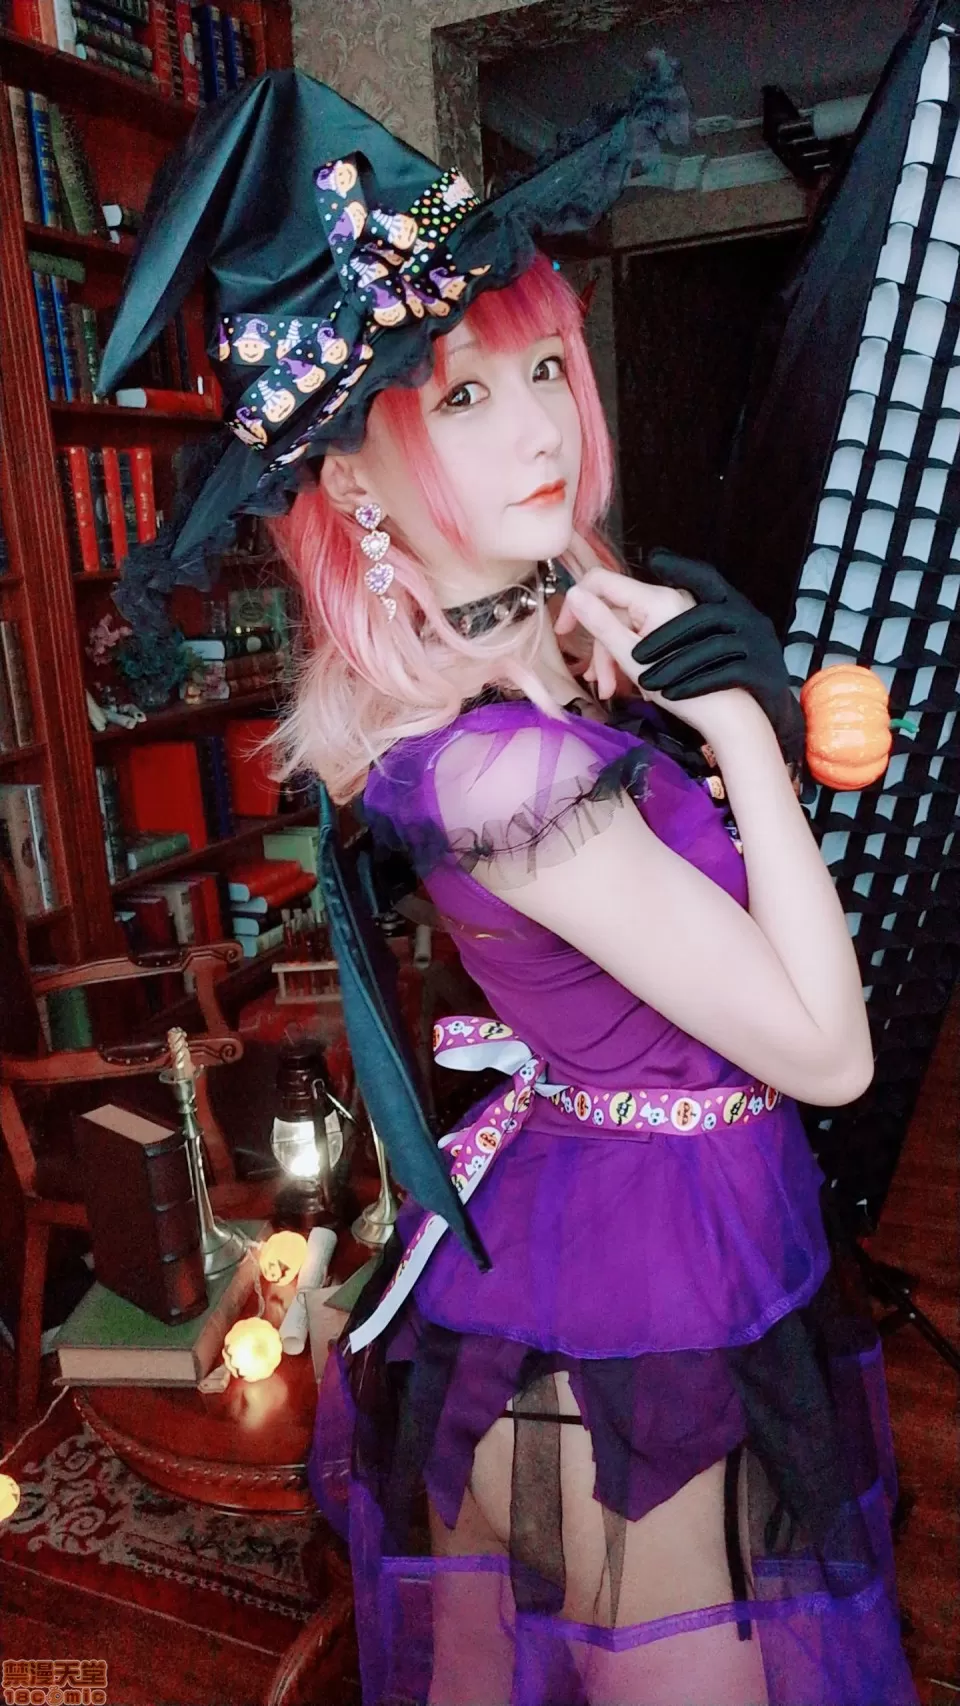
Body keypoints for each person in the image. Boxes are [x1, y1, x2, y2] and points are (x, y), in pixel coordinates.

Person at [96, 67, 917, 1706]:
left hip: (611, 1223)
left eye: (542, 365)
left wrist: (713, 712)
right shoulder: (501, 772)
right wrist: (741, 733)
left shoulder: (539, 650)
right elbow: (832, 1055)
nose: (543, 423)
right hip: (642, 1288)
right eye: (461, 394)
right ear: (352, 481)